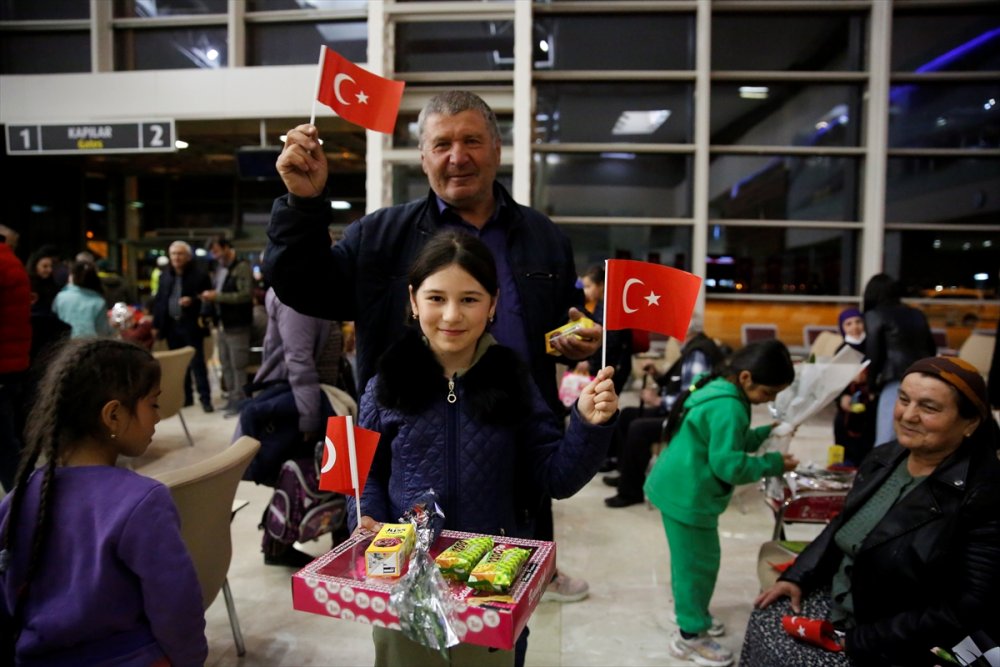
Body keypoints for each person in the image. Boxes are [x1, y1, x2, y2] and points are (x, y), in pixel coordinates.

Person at [264, 90, 602, 603]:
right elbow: (304, 286)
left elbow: (558, 329)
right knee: (412, 623)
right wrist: (303, 205)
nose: (457, 156)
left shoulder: (543, 237)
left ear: (496, 149)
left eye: (471, 141)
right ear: (423, 157)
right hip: (411, 453)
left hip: (510, 441)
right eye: (441, 143)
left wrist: (575, 342)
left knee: (497, 617)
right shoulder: (381, 235)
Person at [350, 231, 618, 667]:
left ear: (493, 303)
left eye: (470, 299)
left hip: (491, 585)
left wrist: (588, 425)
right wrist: (365, 518)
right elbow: (363, 475)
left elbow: (556, 477)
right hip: (404, 585)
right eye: (436, 298)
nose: (452, 315)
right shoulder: (384, 385)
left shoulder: (515, 380)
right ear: (413, 300)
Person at [743, 356, 1000, 667]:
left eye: (929, 407)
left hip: (894, 635)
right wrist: (799, 576)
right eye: (903, 399)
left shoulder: (983, 494)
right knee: (763, 621)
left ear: (970, 423)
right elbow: (845, 522)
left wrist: (860, 640)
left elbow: (968, 606)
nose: (909, 415)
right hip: (844, 599)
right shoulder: (885, 458)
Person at [0, 338, 208, 666]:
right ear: (113, 415)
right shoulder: (143, 502)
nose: (157, 417)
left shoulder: (17, 500)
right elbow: (177, 606)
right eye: (153, 404)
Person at [644, 339, 799, 667]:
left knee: (692, 561)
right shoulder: (729, 406)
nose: (768, 401)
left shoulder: (721, 391)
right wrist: (772, 462)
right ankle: (689, 635)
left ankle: (693, 612)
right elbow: (728, 464)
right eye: (768, 394)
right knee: (697, 566)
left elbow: (728, 439)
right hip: (687, 495)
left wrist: (762, 433)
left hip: (680, 486)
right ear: (746, 378)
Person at [234, 286, 345, 566]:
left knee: (317, 470)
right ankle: (279, 545)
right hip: (300, 401)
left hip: (314, 397)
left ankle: (284, 544)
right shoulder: (296, 297)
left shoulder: (312, 295)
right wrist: (309, 416)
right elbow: (299, 360)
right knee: (305, 471)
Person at [604, 318, 724, 508]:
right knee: (626, 415)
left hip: (686, 419)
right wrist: (657, 375)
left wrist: (658, 400)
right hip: (676, 411)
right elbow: (680, 384)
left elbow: (692, 398)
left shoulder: (698, 354)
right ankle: (627, 474)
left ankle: (631, 491)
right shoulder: (693, 349)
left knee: (638, 428)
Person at [861, 273, 936, 447]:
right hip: (924, 376)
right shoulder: (917, 313)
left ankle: (880, 473)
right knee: (917, 433)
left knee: (886, 436)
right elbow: (931, 347)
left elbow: (873, 354)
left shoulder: (875, 315)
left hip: (894, 379)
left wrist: (870, 384)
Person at [152, 240, 214, 413]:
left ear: (187, 256)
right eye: (173, 254)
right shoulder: (165, 275)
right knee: (181, 364)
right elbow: (160, 301)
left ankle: (205, 399)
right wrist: (157, 324)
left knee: (197, 364)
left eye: (180, 254)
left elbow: (207, 300)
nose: (176, 257)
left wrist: (193, 301)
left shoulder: (200, 275)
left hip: (192, 325)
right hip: (172, 325)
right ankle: (187, 398)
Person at [202, 235, 253, 416]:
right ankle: (232, 398)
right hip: (223, 324)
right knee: (226, 364)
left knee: (238, 365)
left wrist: (217, 297)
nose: (214, 255)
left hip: (238, 324)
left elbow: (245, 295)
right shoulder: (220, 268)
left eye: (216, 251)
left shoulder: (241, 267)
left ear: (225, 247)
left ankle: (241, 401)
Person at [0, 227, 31, 493]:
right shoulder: (11, 262)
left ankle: (23, 504)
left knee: (5, 444)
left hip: (3, 365)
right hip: (11, 366)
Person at [831, 308, 876, 467]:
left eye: (858, 322)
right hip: (848, 403)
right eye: (848, 324)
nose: (854, 327)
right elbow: (834, 381)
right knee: (842, 425)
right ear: (842, 328)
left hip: (870, 402)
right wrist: (841, 397)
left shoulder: (873, 346)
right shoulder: (841, 350)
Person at [580, 263, 633, 394]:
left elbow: (609, 341)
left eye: (588, 286)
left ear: (601, 285)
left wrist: (590, 362)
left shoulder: (611, 308)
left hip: (612, 367)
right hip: (602, 366)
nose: (585, 291)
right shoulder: (598, 306)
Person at [51, 260, 112, 338]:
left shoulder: (61, 297)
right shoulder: (99, 302)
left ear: (72, 276)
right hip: (89, 345)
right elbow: (102, 331)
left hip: (64, 343)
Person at [25, 245, 61, 316]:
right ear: (35, 267)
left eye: (51, 266)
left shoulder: (53, 285)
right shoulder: (26, 285)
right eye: (45, 266)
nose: (50, 270)